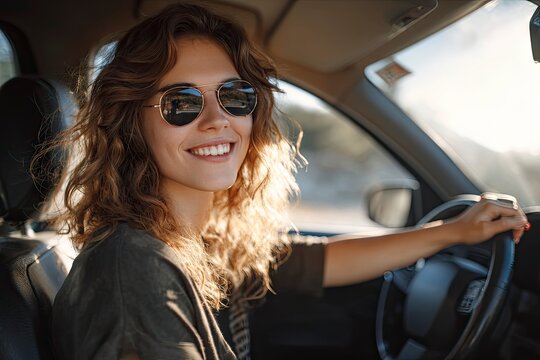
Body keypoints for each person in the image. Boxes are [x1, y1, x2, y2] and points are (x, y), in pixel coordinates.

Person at [49, 3, 529, 360]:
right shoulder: (132, 268)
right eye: (182, 102)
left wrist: (452, 233)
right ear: (132, 123)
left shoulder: (196, 240)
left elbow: (317, 263)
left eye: (235, 96)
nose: (218, 120)